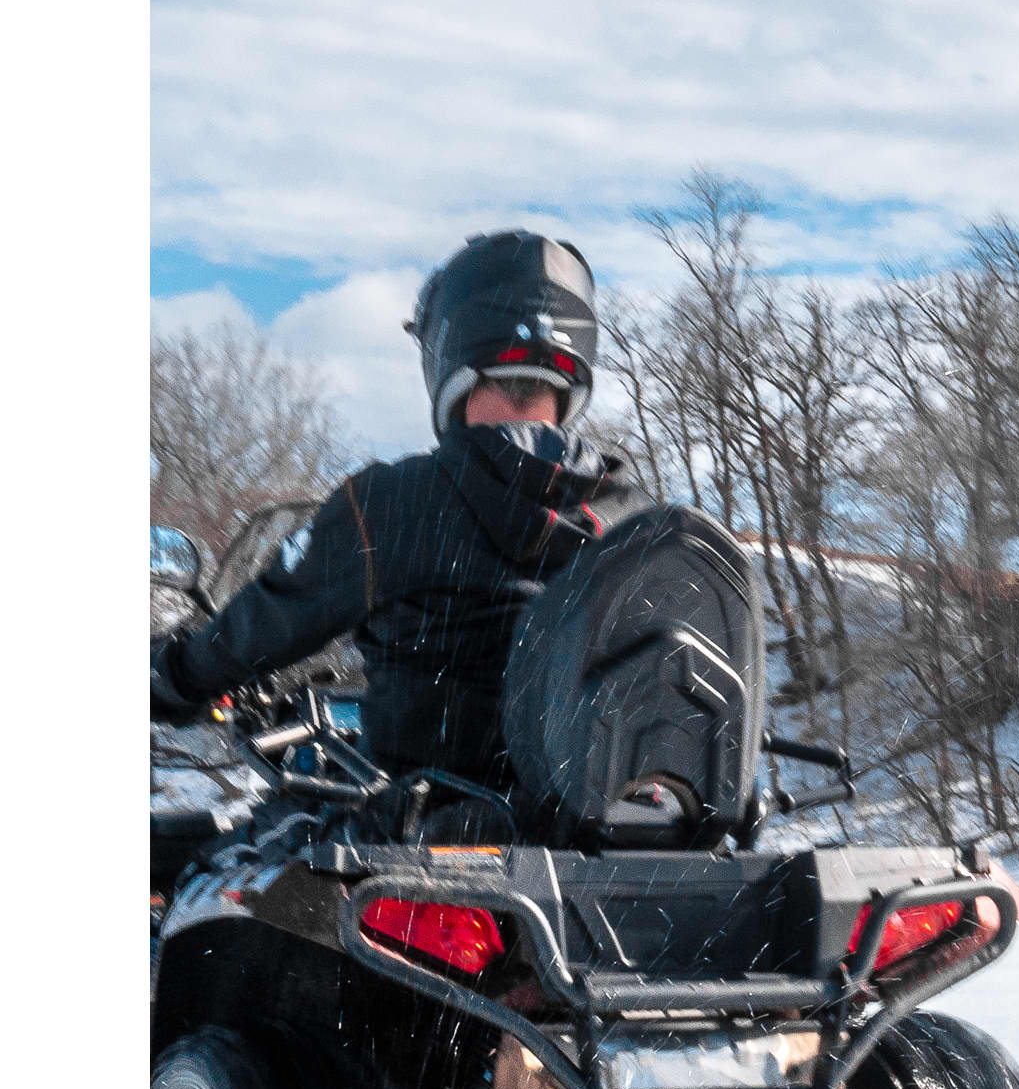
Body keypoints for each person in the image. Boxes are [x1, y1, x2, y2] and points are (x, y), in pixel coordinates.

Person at [150, 231, 652, 796]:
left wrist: (166, 678)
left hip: (429, 833)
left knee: (214, 864)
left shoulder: (395, 503)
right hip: (601, 846)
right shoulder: (639, 520)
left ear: (449, 352)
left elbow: (259, 629)